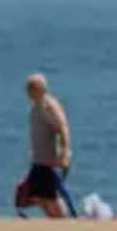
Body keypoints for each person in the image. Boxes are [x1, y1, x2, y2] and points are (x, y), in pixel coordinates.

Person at [15, 74, 73, 218]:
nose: (28, 91)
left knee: (49, 199)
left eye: (31, 88)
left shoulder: (49, 105)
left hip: (48, 163)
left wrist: (65, 154)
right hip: (38, 161)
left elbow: (63, 128)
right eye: (28, 88)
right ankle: (58, 223)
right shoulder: (36, 106)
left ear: (39, 89)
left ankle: (64, 225)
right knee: (28, 196)